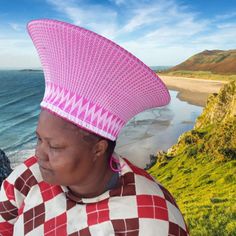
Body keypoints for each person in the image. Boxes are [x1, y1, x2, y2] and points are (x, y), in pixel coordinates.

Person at [0, 19, 188, 235]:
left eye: (55, 146)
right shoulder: (29, 177)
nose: (38, 154)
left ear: (98, 148)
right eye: (39, 139)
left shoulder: (153, 221)